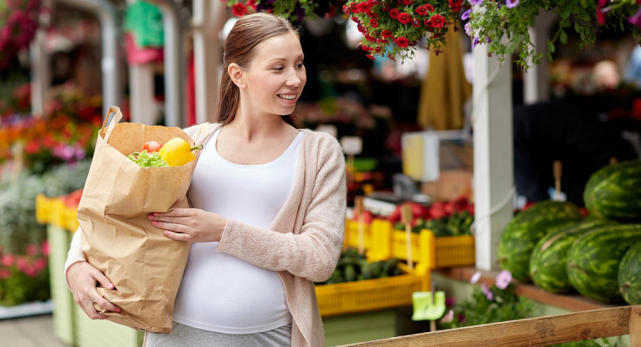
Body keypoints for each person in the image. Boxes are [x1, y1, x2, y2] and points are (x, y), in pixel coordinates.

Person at [64, 13, 346, 347]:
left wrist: (222, 231)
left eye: (299, 65)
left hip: (269, 339)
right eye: (278, 67)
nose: (295, 79)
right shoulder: (192, 143)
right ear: (237, 74)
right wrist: (75, 266)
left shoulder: (318, 153)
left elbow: (319, 258)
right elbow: (115, 207)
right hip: (176, 336)